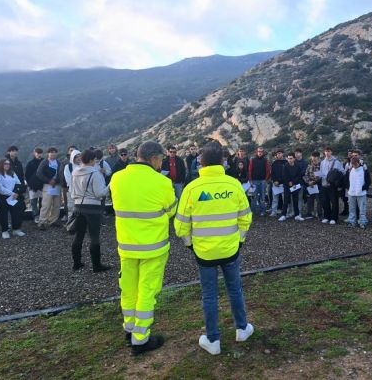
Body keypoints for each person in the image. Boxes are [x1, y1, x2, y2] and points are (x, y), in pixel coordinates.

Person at [174, 140, 254, 356]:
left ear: (201, 162)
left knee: (209, 295)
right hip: (230, 249)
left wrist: (191, 245)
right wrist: (239, 241)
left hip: (204, 252)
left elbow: (181, 225)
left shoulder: (192, 188)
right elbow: (246, 218)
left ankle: (213, 340)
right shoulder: (233, 185)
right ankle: (242, 328)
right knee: (235, 289)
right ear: (222, 161)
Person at [110, 142, 176, 355]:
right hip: (153, 249)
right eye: (162, 159)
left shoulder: (117, 178)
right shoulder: (162, 182)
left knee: (128, 290)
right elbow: (171, 211)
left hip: (126, 247)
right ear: (155, 159)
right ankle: (141, 339)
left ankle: (129, 331)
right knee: (147, 292)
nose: (162, 163)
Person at [70, 149, 111, 272]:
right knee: (94, 237)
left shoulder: (74, 172)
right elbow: (99, 194)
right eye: (95, 160)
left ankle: (77, 263)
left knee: (79, 235)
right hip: (93, 208)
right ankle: (96, 266)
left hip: (78, 206)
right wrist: (110, 186)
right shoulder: (95, 173)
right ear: (92, 160)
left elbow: (72, 193)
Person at [0, 158, 25, 239]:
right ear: (1, 164)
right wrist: (12, 193)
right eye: (5, 164)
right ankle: (5, 231)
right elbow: (0, 188)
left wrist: (16, 193)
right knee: (3, 215)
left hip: (14, 197)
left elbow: (18, 183)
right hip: (2, 198)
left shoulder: (13, 173)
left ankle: (16, 229)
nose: (7, 165)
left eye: (8, 164)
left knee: (16, 213)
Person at [36, 147, 64, 230]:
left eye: (55, 152)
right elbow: (39, 173)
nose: (53, 153)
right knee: (46, 204)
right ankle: (42, 222)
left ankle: (53, 220)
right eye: (51, 152)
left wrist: (56, 180)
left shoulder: (59, 162)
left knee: (57, 204)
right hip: (48, 185)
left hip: (57, 185)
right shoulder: (44, 162)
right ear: (48, 153)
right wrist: (48, 181)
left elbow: (61, 173)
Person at [319, 146, 345, 225]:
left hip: (332, 185)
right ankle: (327, 216)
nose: (327, 153)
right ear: (324, 152)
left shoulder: (336, 162)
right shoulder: (322, 162)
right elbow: (321, 172)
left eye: (329, 151)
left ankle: (334, 218)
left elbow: (342, 172)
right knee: (325, 202)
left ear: (331, 152)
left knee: (334, 202)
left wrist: (336, 179)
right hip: (324, 184)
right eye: (326, 151)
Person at [345, 157, 371, 229]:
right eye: (353, 164)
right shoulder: (350, 170)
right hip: (351, 192)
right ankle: (352, 221)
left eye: (355, 164)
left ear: (359, 163)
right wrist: (349, 188)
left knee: (362, 208)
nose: (354, 166)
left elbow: (368, 181)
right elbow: (346, 180)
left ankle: (362, 222)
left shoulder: (364, 170)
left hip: (361, 193)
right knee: (351, 208)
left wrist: (363, 188)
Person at [278, 152, 304, 221]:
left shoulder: (297, 166)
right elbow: (284, 176)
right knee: (286, 201)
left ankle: (297, 215)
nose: (289, 160)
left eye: (291, 158)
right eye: (288, 158)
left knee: (296, 200)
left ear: (294, 159)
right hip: (287, 186)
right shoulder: (285, 166)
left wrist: (294, 182)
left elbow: (299, 176)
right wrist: (289, 182)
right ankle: (283, 215)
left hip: (295, 186)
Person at [248, 147, 271, 216]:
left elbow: (268, 170)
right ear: (256, 152)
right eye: (258, 151)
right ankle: (252, 211)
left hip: (262, 181)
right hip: (254, 181)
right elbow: (249, 170)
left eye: (261, 151)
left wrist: (266, 180)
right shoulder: (252, 160)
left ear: (263, 152)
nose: (260, 152)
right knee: (253, 197)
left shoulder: (265, 160)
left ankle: (262, 211)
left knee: (262, 197)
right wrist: (250, 180)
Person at [25, 148, 44, 223]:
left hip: (42, 186)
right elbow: (27, 175)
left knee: (43, 202)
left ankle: (42, 216)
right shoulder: (30, 163)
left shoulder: (44, 162)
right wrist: (30, 185)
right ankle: (36, 216)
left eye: (40, 153)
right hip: (32, 187)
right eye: (37, 153)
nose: (39, 154)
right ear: (34, 153)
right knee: (33, 202)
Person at [303, 151, 323, 219]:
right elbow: (305, 175)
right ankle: (310, 213)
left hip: (318, 185)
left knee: (319, 200)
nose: (314, 158)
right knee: (309, 200)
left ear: (318, 158)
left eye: (315, 157)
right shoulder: (309, 165)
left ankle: (319, 214)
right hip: (310, 186)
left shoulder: (321, 165)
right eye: (313, 157)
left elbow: (321, 176)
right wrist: (309, 182)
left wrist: (314, 182)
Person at [64, 150, 82, 214]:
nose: (78, 158)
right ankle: (71, 223)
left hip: (83, 192)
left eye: (80, 156)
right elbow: (68, 180)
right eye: (76, 157)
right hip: (72, 192)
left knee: (82, 209)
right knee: (71, 209)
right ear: (72, 158)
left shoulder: (84, 166)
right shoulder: (68, 167)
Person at [269, 150, 286, 216]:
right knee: (275, 199)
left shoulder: (286, 162)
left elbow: (286, 174)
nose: (278, 155)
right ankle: (274, 212)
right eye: (277, 153)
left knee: (284, 199)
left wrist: (280, 181)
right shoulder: (274, 163)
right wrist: (274, 181)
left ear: (282, 154)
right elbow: (272, 173)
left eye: (280, 153)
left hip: (283, 184)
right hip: (275, 184)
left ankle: (285, 212)